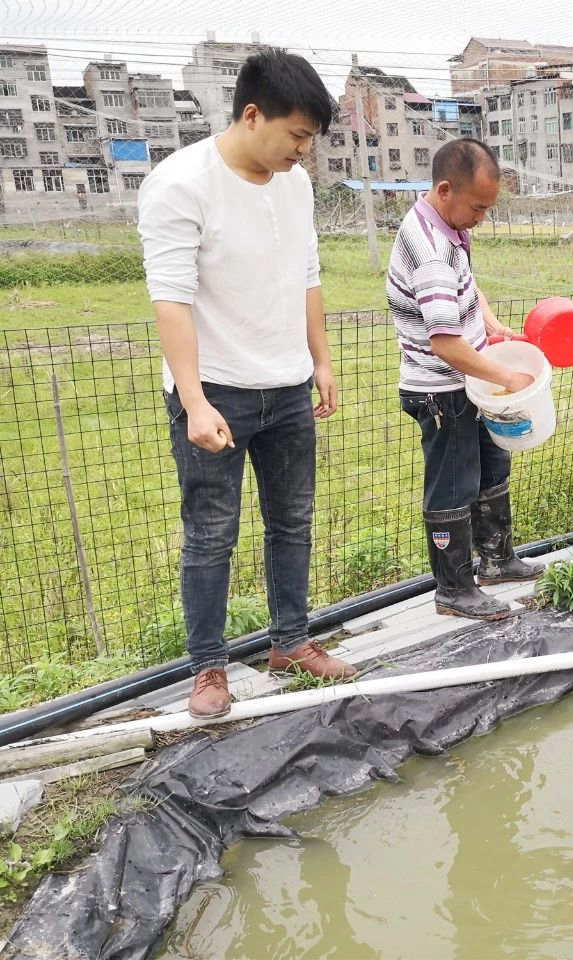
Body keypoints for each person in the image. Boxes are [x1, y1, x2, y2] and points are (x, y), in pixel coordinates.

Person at [138, 49, 356, 720]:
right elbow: (170, 300)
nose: (302, 151)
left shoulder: (294, 186)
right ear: (252, 114)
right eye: (295, 135)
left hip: (287, 385)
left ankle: (291, 642)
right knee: (211, 533)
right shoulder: (180, 185)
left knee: (292, 522)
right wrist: (195, 400)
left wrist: (319, 359)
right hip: (218, 393)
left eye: (309, 140)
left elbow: (308, 274)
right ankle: (208, 668)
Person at [389, 138, 540, 621]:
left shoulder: (448, 224)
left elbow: (467, 286)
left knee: (492, 465)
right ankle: (453, 588)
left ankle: (496, 560)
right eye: (478, 207)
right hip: (441, 389)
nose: (481, 218)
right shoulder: (430, 252)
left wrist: (491, 325)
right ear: (445, 189)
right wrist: (507, 377)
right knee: (453, 485)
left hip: (469, 381)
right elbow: (446, 344)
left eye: (488, 208)